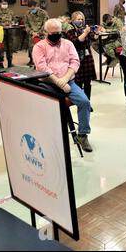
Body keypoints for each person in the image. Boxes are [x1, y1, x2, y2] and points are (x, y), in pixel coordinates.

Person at [33, 18, 92, 152]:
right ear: (46, 32)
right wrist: (58, 81)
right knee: (48, 107)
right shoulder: (39, 47)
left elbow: (75, 62)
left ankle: (82, 135)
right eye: (52, 33)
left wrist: (65, 79)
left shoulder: (68, 44)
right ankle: (49, 137)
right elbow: (42, 67)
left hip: (68, 81)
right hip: (47, 82)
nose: (56, 35)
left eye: (58, 32)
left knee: (84, 102)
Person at [66, 11, 97, 102]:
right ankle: (80, 101)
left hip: (87, 58)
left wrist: (97, 33)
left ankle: (87, 102)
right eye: (78, 19)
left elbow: (93, 38)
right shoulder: (70, 30)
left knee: (88, 83)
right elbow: (76, 41)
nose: (80, 21)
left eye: (82, 19)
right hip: (76, 58)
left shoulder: (85, 29)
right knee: (78, 83)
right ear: (73, 20)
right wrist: (85, 33)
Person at [0, 0, 17, 67]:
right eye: (3, 3)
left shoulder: (11, 12)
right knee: (0, 48)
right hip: (1, 33)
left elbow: (14, 20)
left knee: (10, 48)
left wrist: (11, 23)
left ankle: (10, 63)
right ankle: (1, 63)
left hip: (10, 32)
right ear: (0, 4)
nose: (4, 5)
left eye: (6, 3)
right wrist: (2, 24)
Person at [24, 0, 49, 66]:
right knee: (31, 48)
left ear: (36, 6)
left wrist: (38, 33)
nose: (32, 10)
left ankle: (43, 61)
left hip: (41, 34)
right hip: (32, 34)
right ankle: (32, 60)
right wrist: (32, 32)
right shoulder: (27, 13)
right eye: (30, 8)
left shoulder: (43, 13)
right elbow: (26, 24)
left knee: (42, 48)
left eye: (33, 8)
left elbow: (45, 24)